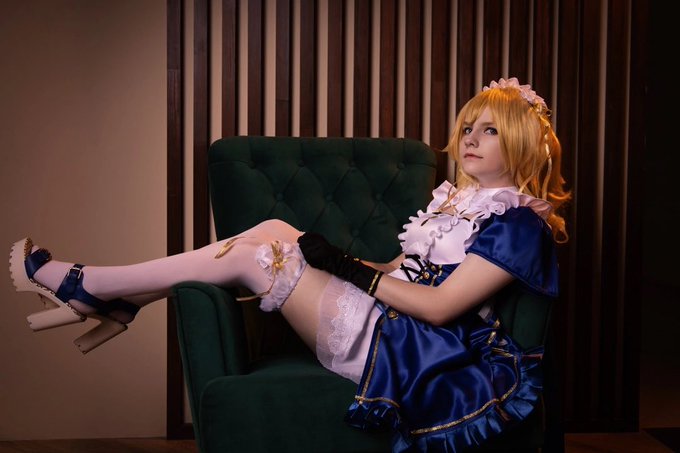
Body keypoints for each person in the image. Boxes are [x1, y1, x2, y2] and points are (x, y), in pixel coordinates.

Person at [9, 77, 570, 452]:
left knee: (258, 260)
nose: (471, 138)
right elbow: (395, 268)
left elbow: (442, 306)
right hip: (390, 318)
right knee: (278, 231)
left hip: (414, 348)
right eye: (468, 127)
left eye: (490, 130)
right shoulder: (453, 202)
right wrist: (334, 256)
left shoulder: (521, 225)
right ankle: (116, 298)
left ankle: (99, 289)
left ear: (521, 141)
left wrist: (346, 268)